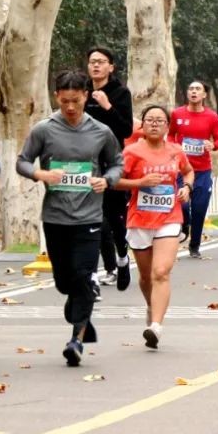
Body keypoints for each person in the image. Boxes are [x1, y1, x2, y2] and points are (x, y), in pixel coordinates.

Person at [18, 70, 123, 367]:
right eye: (65, 102)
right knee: (65, 281)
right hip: (55, 217)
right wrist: (40, 173)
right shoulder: (44, 129)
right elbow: (22, 161)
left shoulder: (101, 132)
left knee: (83, 274)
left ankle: (76, 340)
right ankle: (77, 308)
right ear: (57, 98)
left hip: (89, 216)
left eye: (76, 101)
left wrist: (107, 180)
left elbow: (117, 163)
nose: (71, 108)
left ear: (86, 96)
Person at [115, 105, 194, 349]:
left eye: (160, 120)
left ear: (167, 126)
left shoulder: (176, 151)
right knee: (147, 276)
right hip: (139, 219)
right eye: (149, 120)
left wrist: (187, 188)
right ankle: (152, 305)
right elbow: (114, 181)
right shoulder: (131, 151)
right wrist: (140, 182)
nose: (154, 124)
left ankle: (156, 327)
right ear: (143, 125)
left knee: (161, 272)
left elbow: (189, 171)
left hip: (169, 217)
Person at [84, 47, 134, 292]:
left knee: (113, 218)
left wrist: (107, 107)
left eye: (101, 62)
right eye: (92, 62)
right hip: (84, 163)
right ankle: (96, 273)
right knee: (91, 219)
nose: (96, 66)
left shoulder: (120, 93)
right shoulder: (81, 90)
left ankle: (123, 259)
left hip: (111, 163)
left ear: (111, 67)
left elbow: (125, 130)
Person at [169, 81, 218, 258]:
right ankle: (184, 225)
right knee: (183, 204)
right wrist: (173, 147)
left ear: (204, 95)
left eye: (197, 89)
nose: (193, 92)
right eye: (191, 88)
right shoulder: (177, 114)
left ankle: (195, 246)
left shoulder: (212, 117)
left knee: (199, 209)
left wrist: (212, 145)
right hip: (181, 169)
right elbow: (170, 134)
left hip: (202, 171)